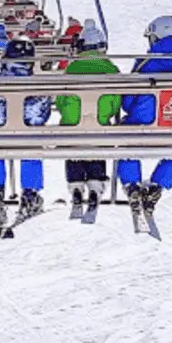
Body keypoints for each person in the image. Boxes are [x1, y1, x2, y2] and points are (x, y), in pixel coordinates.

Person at [117, 16, 172, 214]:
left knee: (126, 142)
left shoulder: (145, 63)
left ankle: (132, 186)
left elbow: (128, 101)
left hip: (143, 126)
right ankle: (158, 185)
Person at [0, 37, 51, 223]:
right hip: (27, 135)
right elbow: (41, 114)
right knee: (32, 150)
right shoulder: (36, 86)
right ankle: (30, 193)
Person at [56, 24, 121, 212]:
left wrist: (67, 112)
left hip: (72, 125)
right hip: (100, 125)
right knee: (97, 141)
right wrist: (107, 113)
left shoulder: (72, 68)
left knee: (73, 143)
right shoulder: (111, 69)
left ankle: (76, 184)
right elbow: (117, 101)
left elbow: (61, 99)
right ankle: (95, 183)